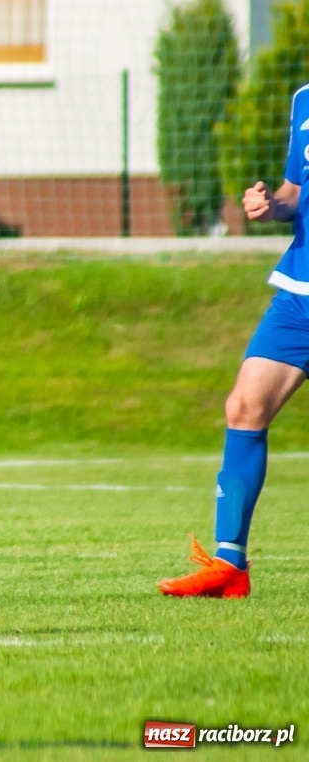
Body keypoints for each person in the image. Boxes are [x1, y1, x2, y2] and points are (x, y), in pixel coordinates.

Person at [159, 86, 309, 599]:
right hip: (300, 293)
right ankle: (230, 565)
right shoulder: (304, 100)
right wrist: (270, 206)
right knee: (245, 405)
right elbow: (296, 189)